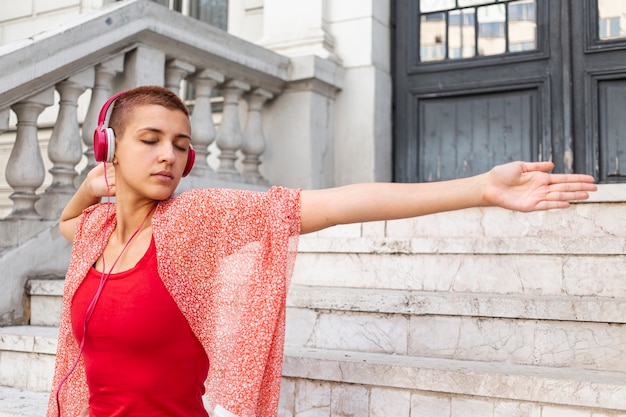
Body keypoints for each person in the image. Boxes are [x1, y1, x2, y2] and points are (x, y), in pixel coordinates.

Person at [47, 85, 597, 417]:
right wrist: (94, 185)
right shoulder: (97, 236)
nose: (169, 155)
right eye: (150, 140)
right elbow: (66, 221)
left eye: (181, 145)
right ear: (110, 149)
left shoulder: (194, 225)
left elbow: (338, 204)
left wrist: (480, 188)